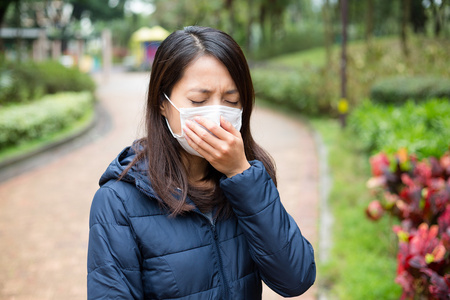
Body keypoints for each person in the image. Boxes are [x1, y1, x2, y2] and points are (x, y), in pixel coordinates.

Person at [87, 26, 316, 299]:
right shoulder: (118, 202)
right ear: (163, 102)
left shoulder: (250, 177)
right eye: (199, 100)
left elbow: (296, 278)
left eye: (231, 101)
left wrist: (240, 174)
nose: (217, 117)